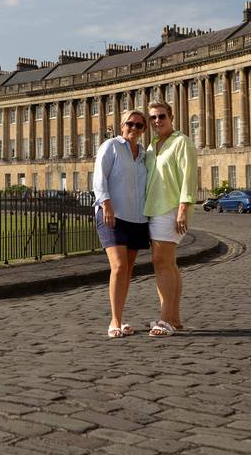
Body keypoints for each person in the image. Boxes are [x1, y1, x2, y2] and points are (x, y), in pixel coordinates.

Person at [92, 109, 150, 338]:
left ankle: (120, 316)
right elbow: (99, 176)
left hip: (136, 218)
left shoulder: (144, 155)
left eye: (138, 125)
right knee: (118, 266)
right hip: (111, 215)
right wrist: (105, 203)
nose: (133, 129)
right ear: (121, 124)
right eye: (130, 124)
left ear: (144, 129)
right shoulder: (111, 146)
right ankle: (114, 321)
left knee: (127, 270)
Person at [144, 100, 197, 337]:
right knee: (169, 265)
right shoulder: (152, 145)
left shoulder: (181, 142)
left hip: (171, 209)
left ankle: (164, 319)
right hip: (154, 210)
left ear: (171, 117)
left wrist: (183, 209)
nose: (157, 121)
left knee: (161, 262)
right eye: (153, 117)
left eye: (161, 116)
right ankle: (174, 318)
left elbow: (189, 177)